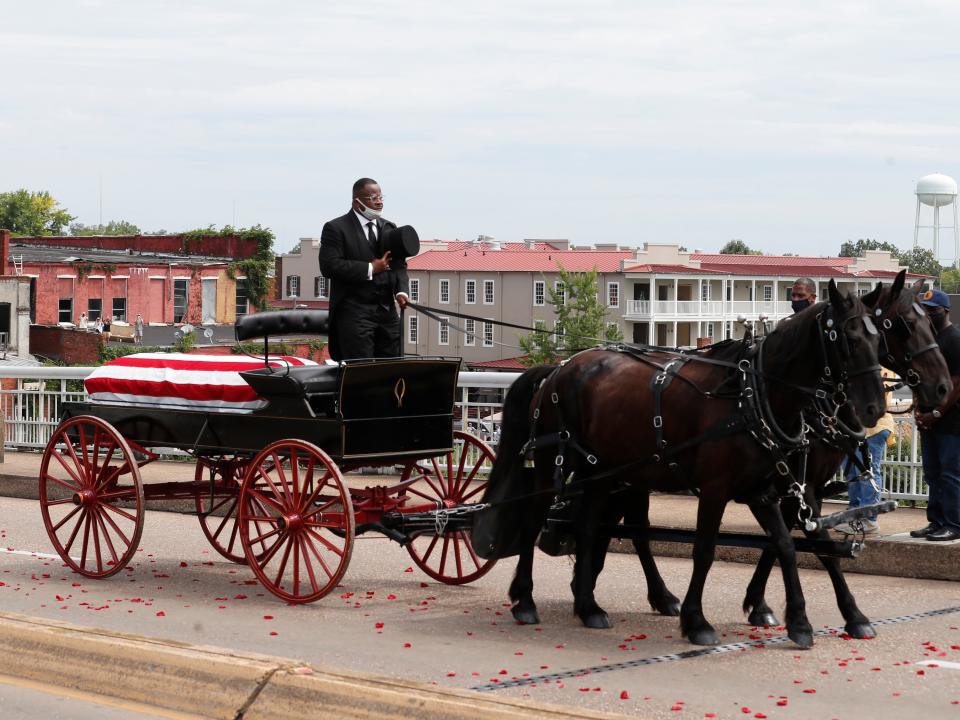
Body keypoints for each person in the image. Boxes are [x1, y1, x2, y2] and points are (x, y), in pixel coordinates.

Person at [318, 178, 409, 360]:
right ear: (356, 201)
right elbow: (329, 266)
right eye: (372, 197)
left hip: (387, 312)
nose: (379, 201)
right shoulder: (336, 228)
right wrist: (370, 268)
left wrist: (401, 291)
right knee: (361, 369)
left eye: (381, 197)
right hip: (354, 312)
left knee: (392, 366)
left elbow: (399, 265)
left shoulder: (389, 228)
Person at [912, 289, 960, 541]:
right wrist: (919, 409)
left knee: (950, 474)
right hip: (929, 419)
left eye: (933, 310)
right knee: (932, 473)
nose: (929, 314)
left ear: (945, 311)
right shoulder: (927, 339)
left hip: (951, 421)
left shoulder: (954, 338)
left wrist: (938, 412)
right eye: (925, 310)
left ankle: (954, 524)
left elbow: (958, 381)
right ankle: (936, 521)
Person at [833, 369, 896, 535]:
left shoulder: (875, 367)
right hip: (856, 428)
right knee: (853, 473)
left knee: (867, 472)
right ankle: (854, 515)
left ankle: (868, 520)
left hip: (874, 427)